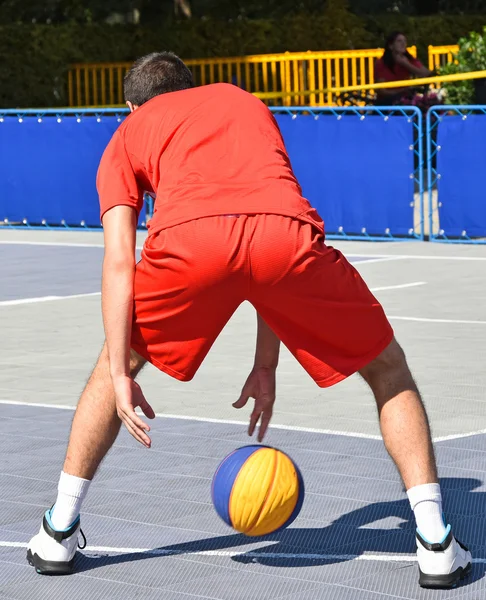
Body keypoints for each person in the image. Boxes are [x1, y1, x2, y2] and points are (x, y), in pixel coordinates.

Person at [26, 52, 471, 589]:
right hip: (285, 238)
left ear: (131, 105)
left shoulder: (127, 134)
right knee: (388, 371)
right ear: (189, 88)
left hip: (189, 243)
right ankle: (435, 544)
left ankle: (58, 531)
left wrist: (121, 369)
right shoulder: (241, 100)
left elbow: (120, 259)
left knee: (108, 370)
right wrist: (267, 364)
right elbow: (263, 233)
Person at [375, 31, 433, 106]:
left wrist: (406, 64)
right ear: (391, 46)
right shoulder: (381, 63)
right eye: (399, 41)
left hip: (406, 98)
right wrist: (401, 91)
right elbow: (382, 91)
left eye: (405, 41)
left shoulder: (408, 58)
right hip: (388, 101)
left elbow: (426, 73)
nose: (403, 43)